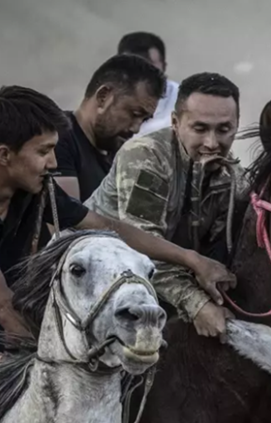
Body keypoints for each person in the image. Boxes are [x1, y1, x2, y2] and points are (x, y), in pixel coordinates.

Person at [0, 86, 235, 410]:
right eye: (43, 151)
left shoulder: (35, 191)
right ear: (4, 155)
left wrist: (191, 259)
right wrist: (59, 360)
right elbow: (1, 307)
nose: (53, 163)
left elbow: (111, 228)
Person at [85, 72, 245, 339]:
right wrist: (197, 305)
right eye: (200, 128)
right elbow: (139, 247)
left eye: (224, 129)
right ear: (175, 122)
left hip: (154, 289)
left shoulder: (232, 177)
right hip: (92, 277)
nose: (212, 143)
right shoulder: (147, 157)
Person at [55, 54, 166, 201]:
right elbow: (66, 220)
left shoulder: (117, 154)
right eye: (134, 114)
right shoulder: (57, 139)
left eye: (144, 120)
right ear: (103, 97)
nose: (136, 129)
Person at [118, 31, 180, 137]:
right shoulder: (108, 100)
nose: (141, 73)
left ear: (164, 66)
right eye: (131, 66)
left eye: (148, 66)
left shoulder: (184, 101)